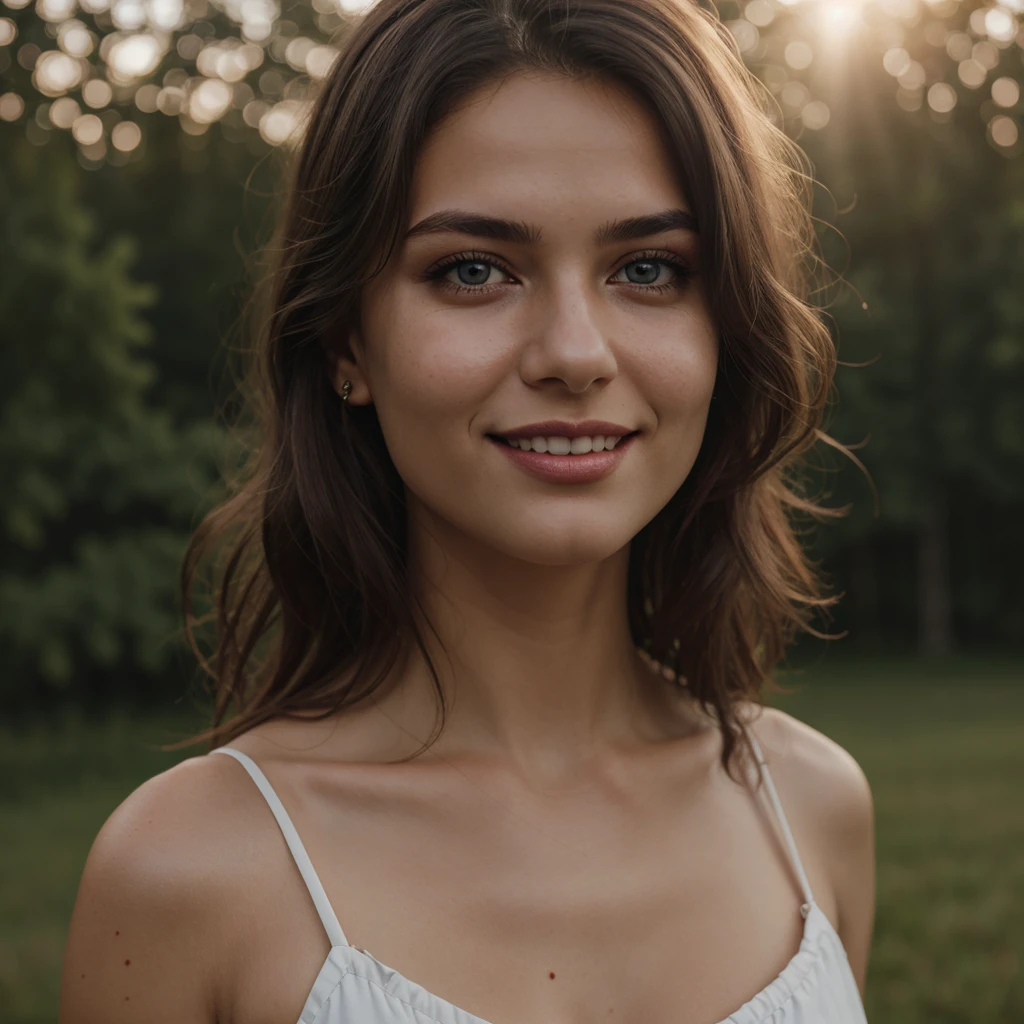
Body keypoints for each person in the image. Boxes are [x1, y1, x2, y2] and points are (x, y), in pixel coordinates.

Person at [60, 0, 875, 1021]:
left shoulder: (812, 810)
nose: (574, 353)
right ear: (347, 344)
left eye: (649, 269)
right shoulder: (188, 873)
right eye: (474, 270)